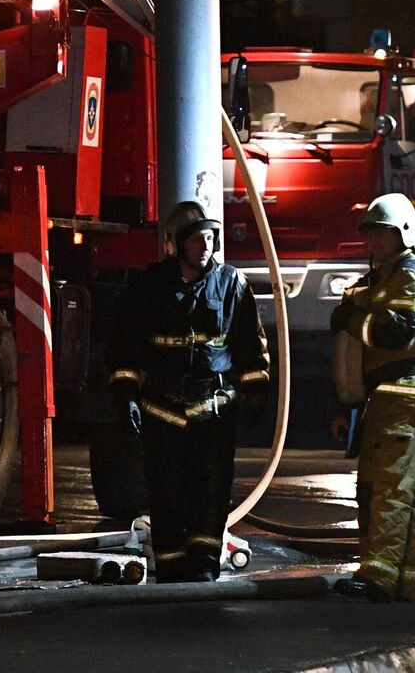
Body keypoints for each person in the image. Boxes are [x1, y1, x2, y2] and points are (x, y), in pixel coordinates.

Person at [108, 201, 270, 583]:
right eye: (198, 239)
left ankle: (204, 564)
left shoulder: (232, 284)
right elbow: (124, 346)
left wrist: (257, 391)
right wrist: (126, 392)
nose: (206, 246)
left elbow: (251, 344)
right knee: (165, 491)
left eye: (211, 238)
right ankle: (170, 564)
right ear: (174, 244)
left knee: (211, 492)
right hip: (161, 409)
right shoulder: (148, 287)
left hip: (214, 410)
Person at [331, 193, 415, 602]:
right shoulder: (394, 272)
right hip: (403, 392)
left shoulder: (410, 272)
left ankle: (378, 575)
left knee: (388, 485)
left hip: (402, 392)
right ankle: (411, 577)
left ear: (403, 233)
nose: (373, 243)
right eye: (370, 235)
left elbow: (396, 331)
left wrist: (352, 319)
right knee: (413, 490)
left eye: (381, 234)